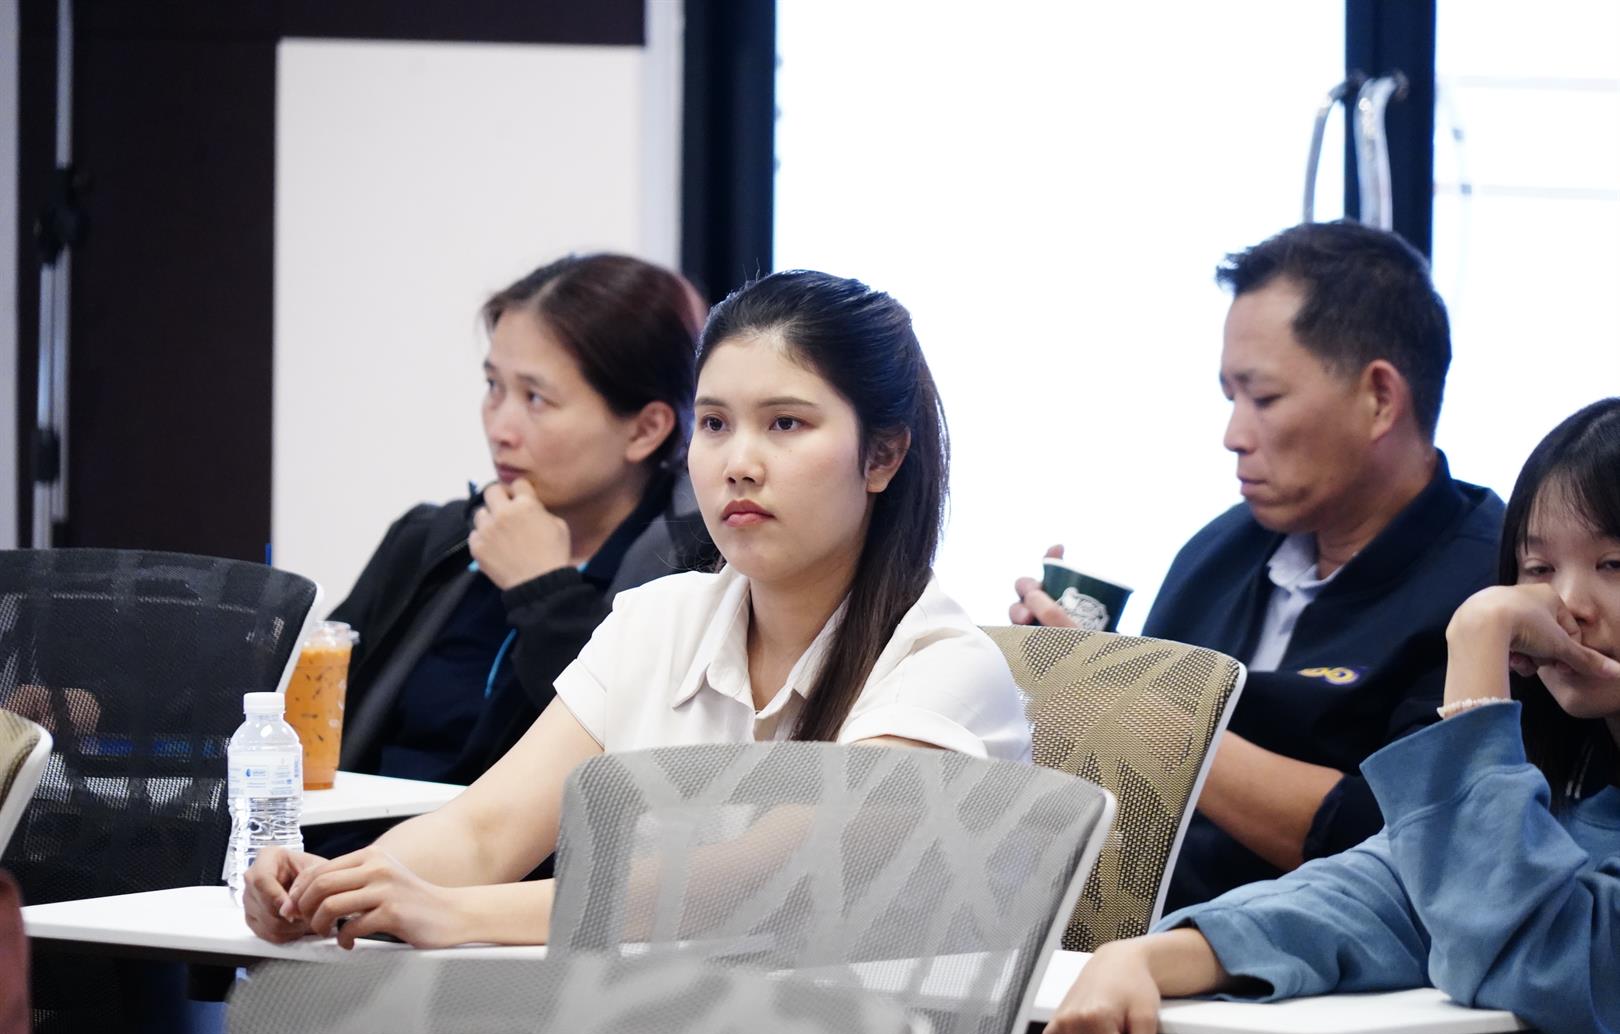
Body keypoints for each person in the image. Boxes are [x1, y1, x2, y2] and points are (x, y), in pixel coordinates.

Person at [244, 270, 1030, 948]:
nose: (738, 463)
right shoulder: (657, 620)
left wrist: (455, 913)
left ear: (883, 456)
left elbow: (749, 883)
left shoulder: (944, 668)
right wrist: (331, 886)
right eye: (715, 424)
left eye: (785, 424)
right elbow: (485, 831)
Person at [1038, 398, 1620, 1034]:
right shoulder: (1567, 788)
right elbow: (1379, 891)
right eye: (1538, 570)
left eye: (1613, 564)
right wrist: (1143, 958)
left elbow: (1538, 965)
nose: (1566, 606)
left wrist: (1478, 636)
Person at [1011, 222, 1504, 908]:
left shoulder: (1488, 588)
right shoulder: (1220, 550)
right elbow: (1128, 791)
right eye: (1230, 399)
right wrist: (1065, 678)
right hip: (1122, 932)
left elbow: (1413, 840)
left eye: (1264, 399)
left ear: (1380, 399)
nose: (1233, 436)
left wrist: (1138, 713)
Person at [324, 254, 716, 793]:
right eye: (494, 387)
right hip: (354, 835)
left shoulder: (693, 574)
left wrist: (544, 591)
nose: (500, 429)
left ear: (645, 430)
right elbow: (313, 716)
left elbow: (645, 773)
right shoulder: (435, 541)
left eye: (536, 398)